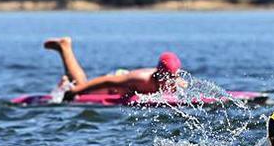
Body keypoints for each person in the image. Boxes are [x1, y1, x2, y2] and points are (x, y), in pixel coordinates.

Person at [44, 36, 182, 99]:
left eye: (172, 77)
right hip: (115, 82)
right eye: (166, 77)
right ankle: (64, 47)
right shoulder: (141, 79)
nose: (169, 81)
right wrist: (76, 91)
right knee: (81, 88)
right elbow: (107, 80)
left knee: (81, 85)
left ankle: (64, 53)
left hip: (123, 83)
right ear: (158, 74)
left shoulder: (177, 81)